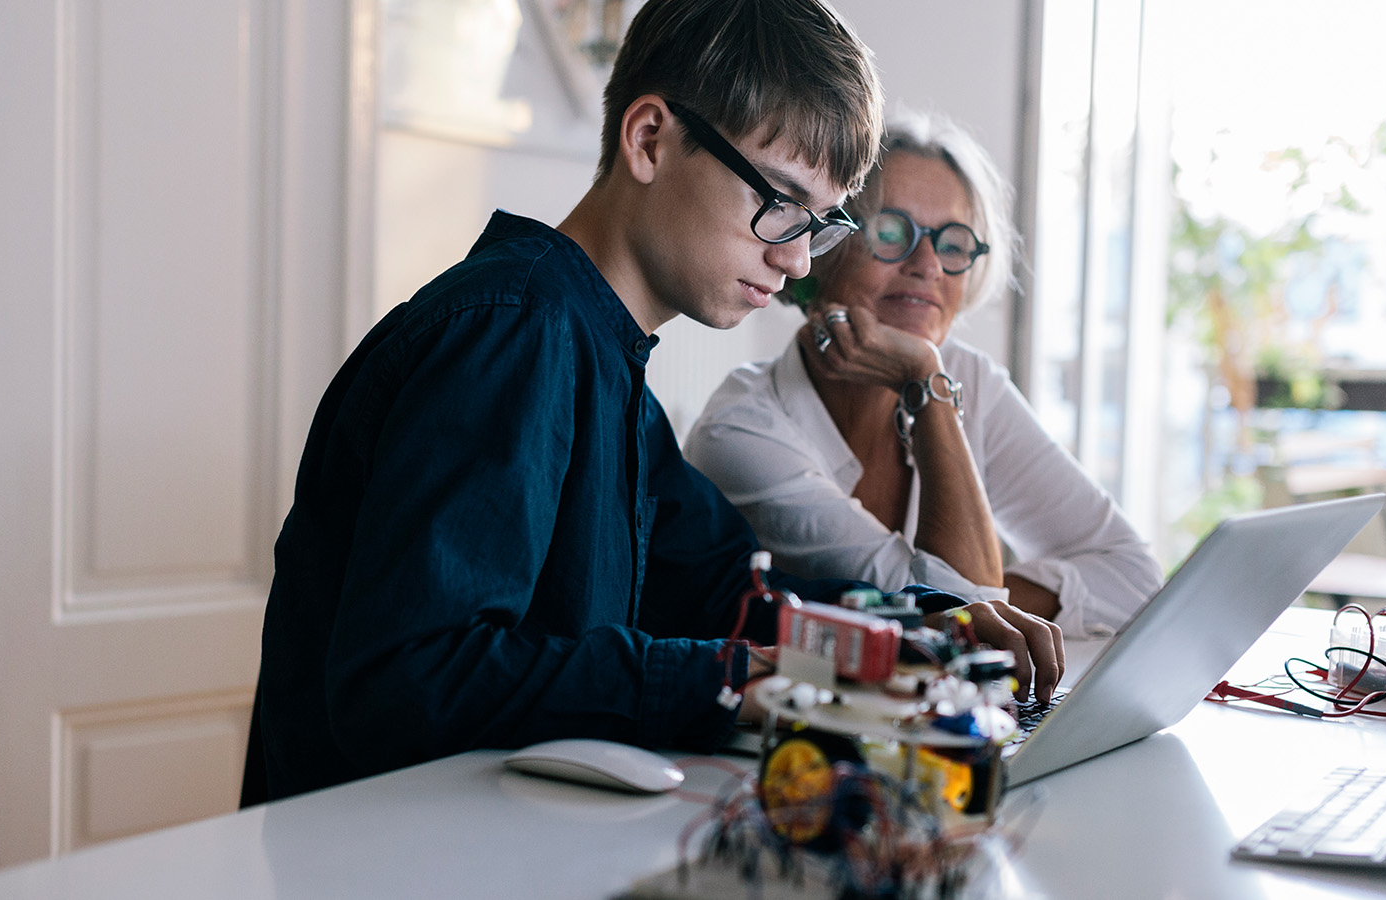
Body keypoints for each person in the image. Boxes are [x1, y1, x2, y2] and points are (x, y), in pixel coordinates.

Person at [252, 0, 903, 802]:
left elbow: (720, 590)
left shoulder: (603, 354)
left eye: (820, 223)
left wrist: (912, 633)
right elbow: (411, 677)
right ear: (650, 139)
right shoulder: (517, 332)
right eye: (778, 200)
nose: (799, 259)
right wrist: (726, 682)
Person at [684, 111, 1163, 666]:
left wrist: (992, 604)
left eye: (953, 243)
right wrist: (928, 387)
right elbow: (962, 619)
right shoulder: (743, 427)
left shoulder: (970, 376)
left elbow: (1134, 577)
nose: (928, 265)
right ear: (824, 242)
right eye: (890, 231)